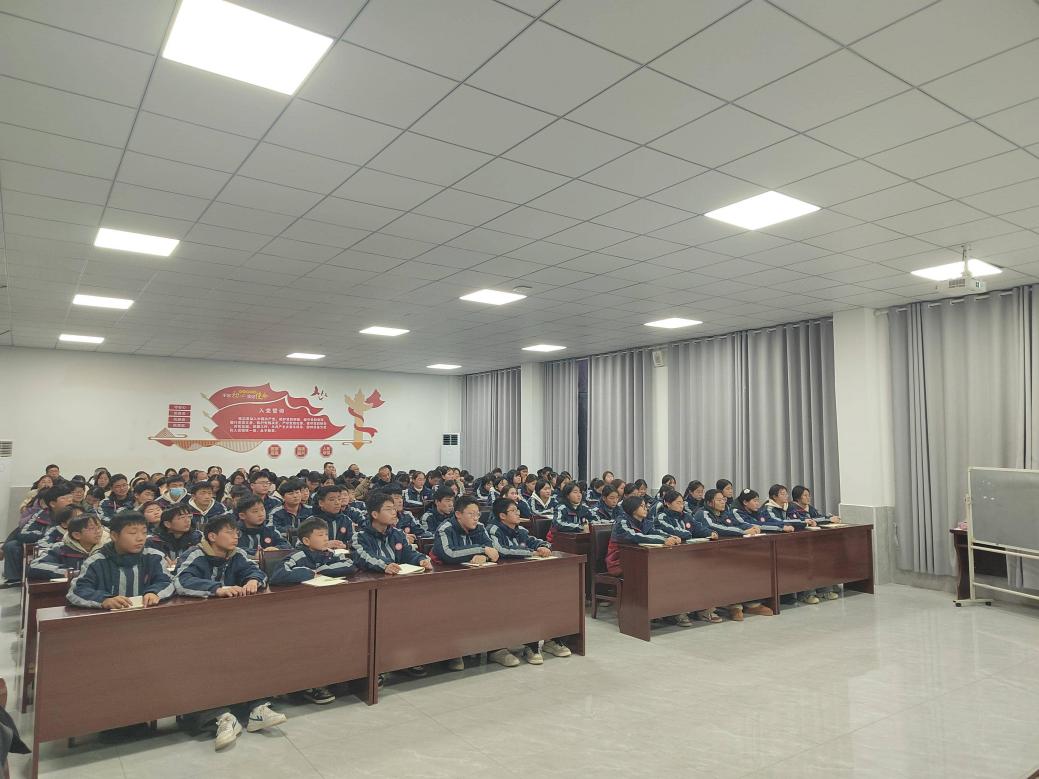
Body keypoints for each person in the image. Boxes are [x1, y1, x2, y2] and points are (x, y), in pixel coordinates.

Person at [173, 514, 285, 748]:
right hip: (197, 628)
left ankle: (256, 708)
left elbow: (257, 572)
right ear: (212, 536)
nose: (235, 536)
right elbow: (182, 581)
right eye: (229, 532)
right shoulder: (195, 554)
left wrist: (253, 580)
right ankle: (220, 717)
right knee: (204, 665)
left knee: (250, 654)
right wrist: (216, 589)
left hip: (232, 624)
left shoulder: (237, 554)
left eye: (237, 532)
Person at [486, 497, 572, 664]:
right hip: (500, 581)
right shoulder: (493, 529)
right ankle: (510, 646)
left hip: (523, 577)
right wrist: (531, 553)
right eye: (513, 511)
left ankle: (547, 639)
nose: (518, 513)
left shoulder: (520, 529)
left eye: (517, 510)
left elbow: (534, 541)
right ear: (502, 515)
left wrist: (543, 547)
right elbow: (502, 550)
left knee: (550, 595)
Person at [432, 496, 506, 670]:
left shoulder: (479, 527)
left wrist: (484, 554)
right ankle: (453, 651)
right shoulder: (445, 528)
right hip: (448, 583)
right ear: (458, 514)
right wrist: (480, 549)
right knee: (456, 607)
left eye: (478, 514)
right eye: (471, 514)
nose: (476, 518)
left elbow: (493, 551)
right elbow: (449, 554)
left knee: (496, 600)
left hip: (477, 580)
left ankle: (495, 647)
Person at [66, 512, 175, 609]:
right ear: (114, 536)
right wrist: (104, 600)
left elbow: (167, 582)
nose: (140, 538)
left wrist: (154, 592)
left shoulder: (154, 557)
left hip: (148, 615)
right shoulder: (96, 561)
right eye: (133, 533)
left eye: (144, 532)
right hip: (108, 620)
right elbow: (77, 591)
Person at [696, 489, 773, 620]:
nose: (723, 502)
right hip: (708, 556)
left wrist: (750, 527)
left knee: (747, 567)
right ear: (709, 502)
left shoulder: (724, 513)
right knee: (729, 573)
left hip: (728, 551)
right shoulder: (702, 513)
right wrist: (743, 532)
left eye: (723, 499)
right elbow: (717, 528)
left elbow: (736, 523)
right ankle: (733, 605)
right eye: (719, 500)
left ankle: (749, 602)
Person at [2, 483, 75, 584]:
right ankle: (15, 578)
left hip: (66, 546)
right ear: (52, 504)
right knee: (12, 545)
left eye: (70, 497)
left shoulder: (77, 513)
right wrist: (46, 535)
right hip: (42, 544)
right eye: (64, 498)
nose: (70, 501)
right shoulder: (42, 514)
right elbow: (24, 533)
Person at [605, 495, 679, 576]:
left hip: (637, 559)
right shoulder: (622, 522)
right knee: (656, 569)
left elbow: (654, 532)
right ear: (633, 509)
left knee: (665, 566)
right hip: (618, 562)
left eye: (645, 506)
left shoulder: (644, 521)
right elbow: (636, 536)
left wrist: (671, 537)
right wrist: (663, 540)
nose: (646, 509)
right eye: (642, 506)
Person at [28, 514, 105, 580]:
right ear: (77, 535)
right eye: (92, 528)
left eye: (99, 527)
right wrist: (70, 573)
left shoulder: (106, 548)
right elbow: (35, 566)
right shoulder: (61, 549)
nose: (98, 531)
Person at [311, 484, 353, 549]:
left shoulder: (346, 520)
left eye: (339, 499)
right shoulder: (311, 522)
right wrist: (323, 545)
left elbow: (353, 542)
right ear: (321, 503)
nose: (337, 503)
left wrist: (345, 546)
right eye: (332, 500)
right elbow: (301, 545)